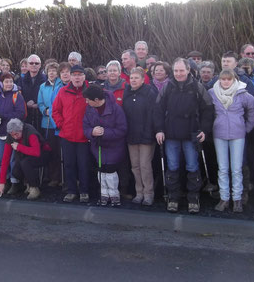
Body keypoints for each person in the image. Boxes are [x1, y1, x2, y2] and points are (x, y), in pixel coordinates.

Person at [154, 58, 214, 213]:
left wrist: (204, 130)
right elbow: (158, 110)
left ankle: (193, 197)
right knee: (172, 166)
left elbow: (208, 109)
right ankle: (173, 197)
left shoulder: (197, 87)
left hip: (191, 133)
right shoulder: (167, 87)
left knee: (192, 166)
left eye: (181, 70)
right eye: (176, 71)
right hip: (171, 134)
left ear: (188, 70)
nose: (179, 73)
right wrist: (159, 129)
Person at [208, 69, 254, 213]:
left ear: (234, 80)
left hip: (238, 134)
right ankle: (224, 198)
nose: (225, 82)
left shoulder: (243, 94)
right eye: (223, 79)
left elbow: (253, 111)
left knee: (236, 169)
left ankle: (237, 199)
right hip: (219, 133)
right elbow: (206, 110)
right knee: (223, 168)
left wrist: (246, 128)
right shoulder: (212, 93)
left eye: (228, 79)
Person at [83, 84, 127, 206]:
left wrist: (104, 132)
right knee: (101, 170)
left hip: (113, 146)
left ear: (96, 100)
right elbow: (85, 126)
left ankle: (114, 195)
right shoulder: (89, 109)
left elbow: (122, 130)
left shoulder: (116, 109)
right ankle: (104, 194)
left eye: (88, 99)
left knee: (110, 171)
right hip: (97, 146)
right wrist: (91, 132)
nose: (86, 102)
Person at [52, 65, 90, 203]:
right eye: (74, 75)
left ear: (84, 77)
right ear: (71, 77)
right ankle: (72, 190)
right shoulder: (63, 91)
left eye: (80, 75)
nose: (77, 77)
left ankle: (85, 191)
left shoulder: (89, 91)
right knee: (69, 164)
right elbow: (55, 110)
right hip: (67, 135)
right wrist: (61, 124)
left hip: (84, 136)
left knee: (84, 164)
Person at [122, 67, 158, 205]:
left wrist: (149, 133)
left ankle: (149, 193)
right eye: (131, 78)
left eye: (136, 78)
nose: (133, 80)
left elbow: (152, 114)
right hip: (131, 135)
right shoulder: (127, 92)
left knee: (145, 165)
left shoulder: (150, 92)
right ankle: (139, 192)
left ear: (143, 79)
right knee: (135, 166)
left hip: (146, 135)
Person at [0, 118, 50, 200]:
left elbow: (36, 152)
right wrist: (2, 183)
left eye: (16, 134)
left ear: (21, 129)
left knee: (25, 162)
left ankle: (34, 188)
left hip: (43, 154)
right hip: (26, 156)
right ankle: (28, 182)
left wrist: (19, 147)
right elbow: (5, 158)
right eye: (12, 135)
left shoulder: (30, 132)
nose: (14, 137)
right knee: (15, 171)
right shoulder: (11, 136)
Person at [0, 72, 27, 194]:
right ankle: (4, 180)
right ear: (2, 83)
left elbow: (21, 114)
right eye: (6, 81)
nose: (9, 84)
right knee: (1, 160)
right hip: (0, 132)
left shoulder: (17, 96)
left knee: (13, 160)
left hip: (13, 134)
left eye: (11, 81)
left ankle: (15, 182)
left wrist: (4, 116)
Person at [37, 62, 63, 187]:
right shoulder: (42, 86)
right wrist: (44, 110)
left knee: (60, 151)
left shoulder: (62, 84)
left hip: (60, 123)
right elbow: (40, 103)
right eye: (49, 71)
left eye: (54, 70)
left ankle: (62, 177)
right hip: (47, 123)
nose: (52, 73)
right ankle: (53, 177)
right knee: (51, 151)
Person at [16, 54, 45, 128]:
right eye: (31, 63)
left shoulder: (46, 80)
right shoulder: (20, 80)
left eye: (36, 63)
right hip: (26, 116)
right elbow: (18, 96)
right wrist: (26, 103)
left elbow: (47, 96)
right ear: (28, 65)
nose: (34, 65)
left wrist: (37, 103)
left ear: (40, 65)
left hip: (41, 116)